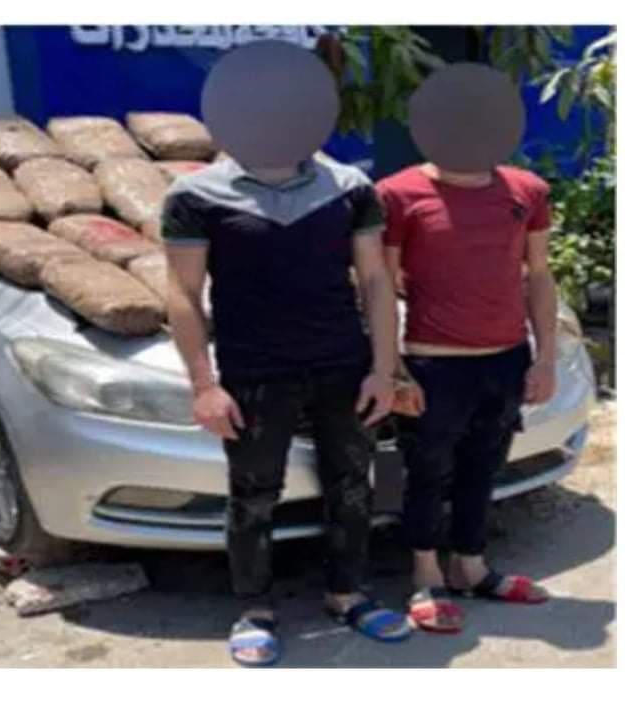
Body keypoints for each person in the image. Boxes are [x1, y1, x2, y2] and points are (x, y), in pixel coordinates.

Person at [163, 40, 411, 667]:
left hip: (342, 365)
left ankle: (348, 593)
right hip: (254, 371)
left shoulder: (349, 187)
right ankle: (255, 608)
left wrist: (383, 370)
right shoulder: (196, 196)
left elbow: (375, 282)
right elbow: (183, 294)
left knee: (352, 486)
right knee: (253, 495)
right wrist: (204, 385)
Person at [378, 63, 557, 634]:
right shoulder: (398, 194)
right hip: (433, 363)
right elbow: (378, 287)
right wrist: (392, 368)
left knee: (484, 467)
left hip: (505, 358)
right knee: (426, 473)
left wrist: (545, 357)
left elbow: (538, 276)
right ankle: (425, 576)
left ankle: (471, 567)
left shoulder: (527, 191)